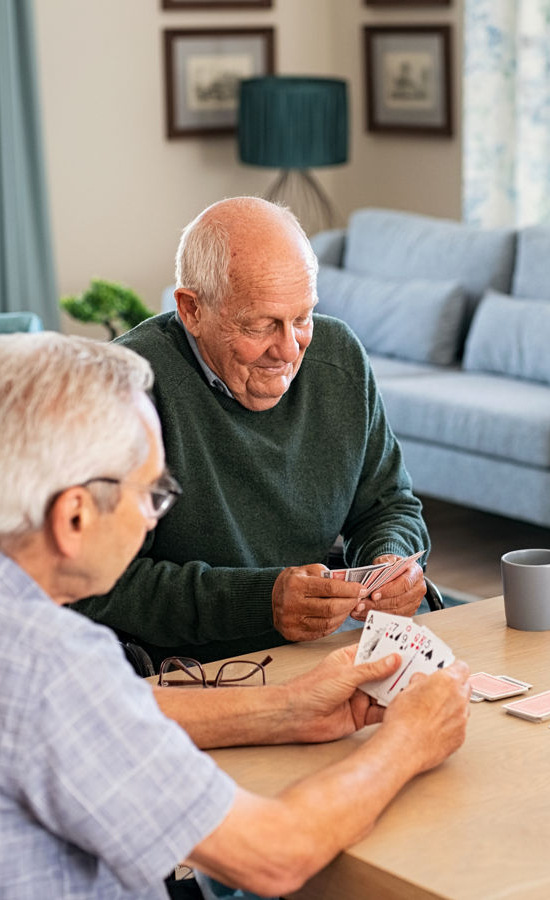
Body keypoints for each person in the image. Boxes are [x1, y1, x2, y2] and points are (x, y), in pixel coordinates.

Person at [0, 333, 471, 899]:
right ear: (73, 515)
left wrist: (283, 710)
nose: (153, 511)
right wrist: (408, 740)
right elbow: (276, 855)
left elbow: (85, 718)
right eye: (150, 493)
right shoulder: (45, 660)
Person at [72, 197, 430, 663]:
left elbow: (390, 504)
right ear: (191, 310)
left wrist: (390, 561)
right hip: (182, 672)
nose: (288, 349)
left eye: (302, 318)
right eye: (261, 325)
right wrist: (260, 603)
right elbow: (98, 584)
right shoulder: (124, 390)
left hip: (321, 650)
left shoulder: (338, 357)